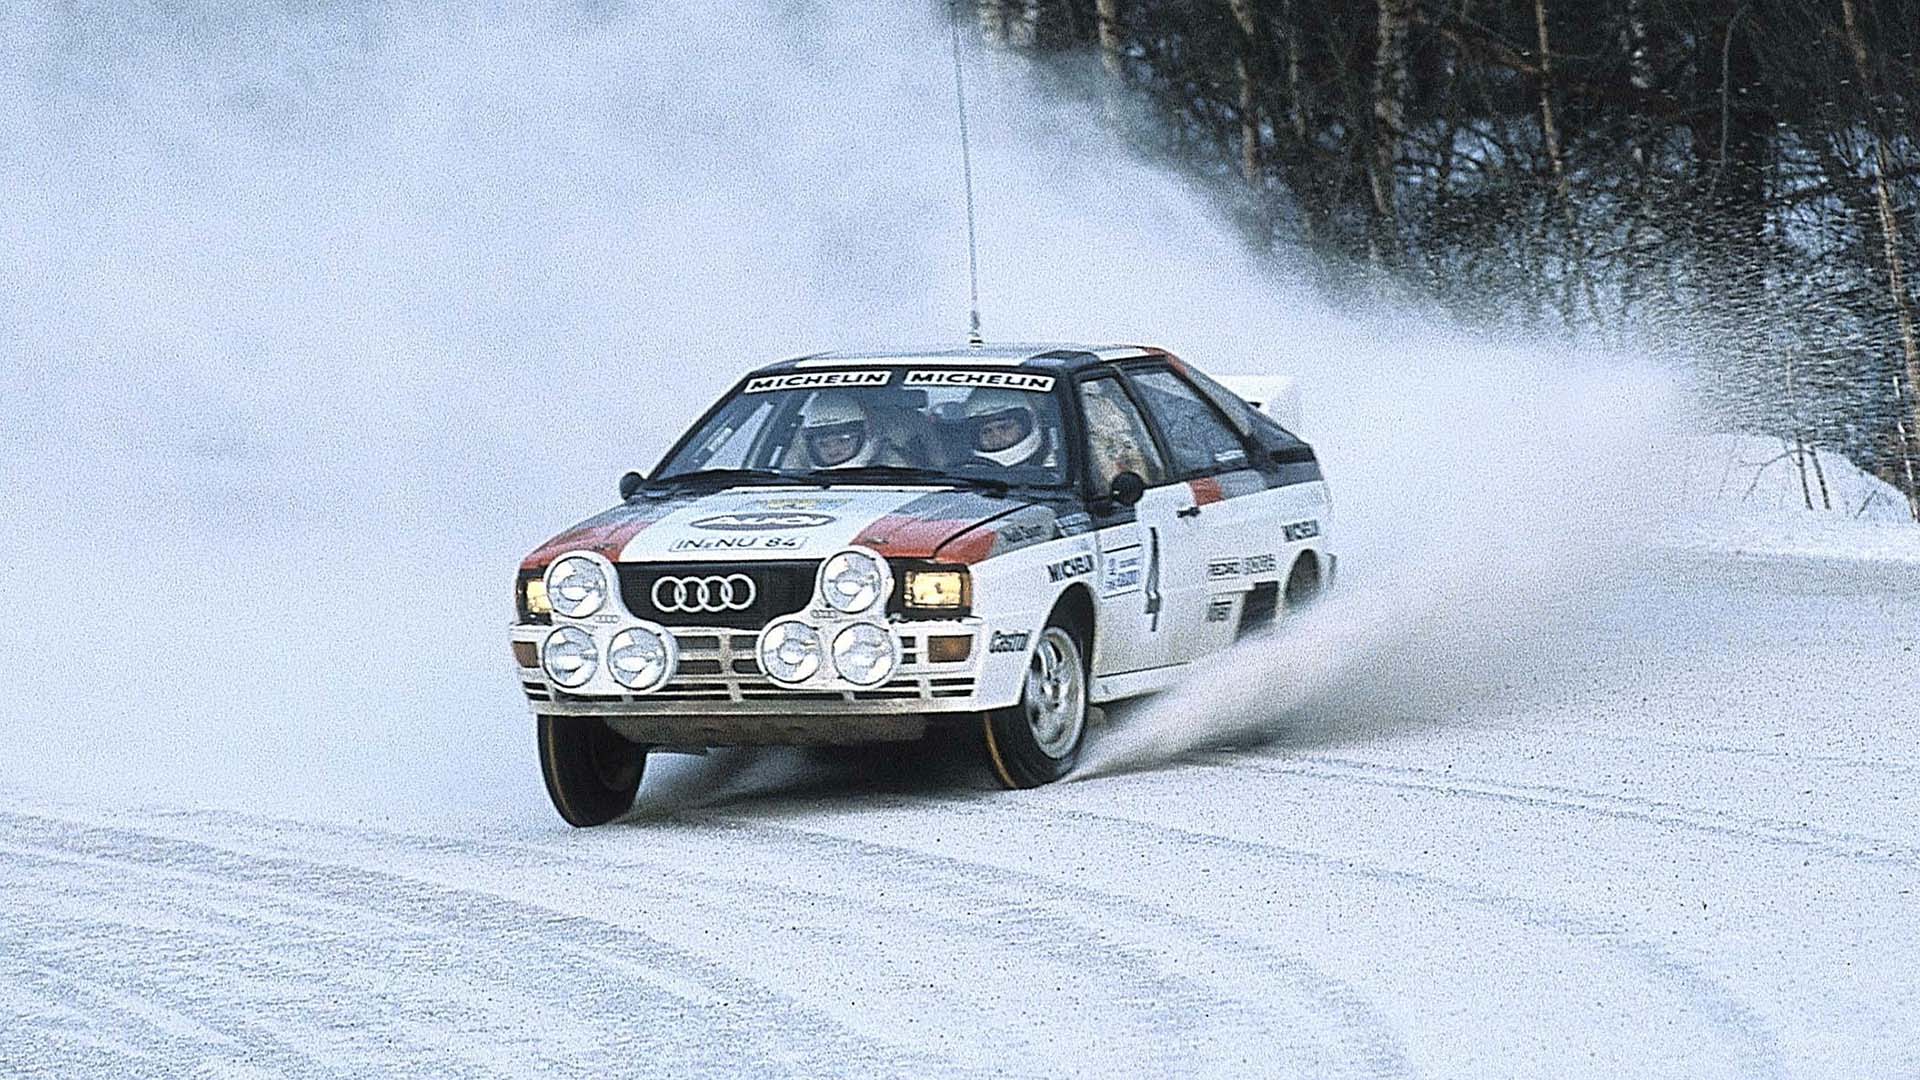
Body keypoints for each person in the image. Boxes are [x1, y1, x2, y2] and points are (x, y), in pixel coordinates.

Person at [799, 392, 918, 469]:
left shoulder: (896, 468)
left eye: (843, 440)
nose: (833, 449)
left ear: (867, 435)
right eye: (823, 444)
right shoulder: (796, 474)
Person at [962, 388, 1052, 470]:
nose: (996, 437)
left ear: (1025, 426)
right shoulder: (967, 476)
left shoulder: (1055, 470)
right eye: (987, 431)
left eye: (1004, 428)